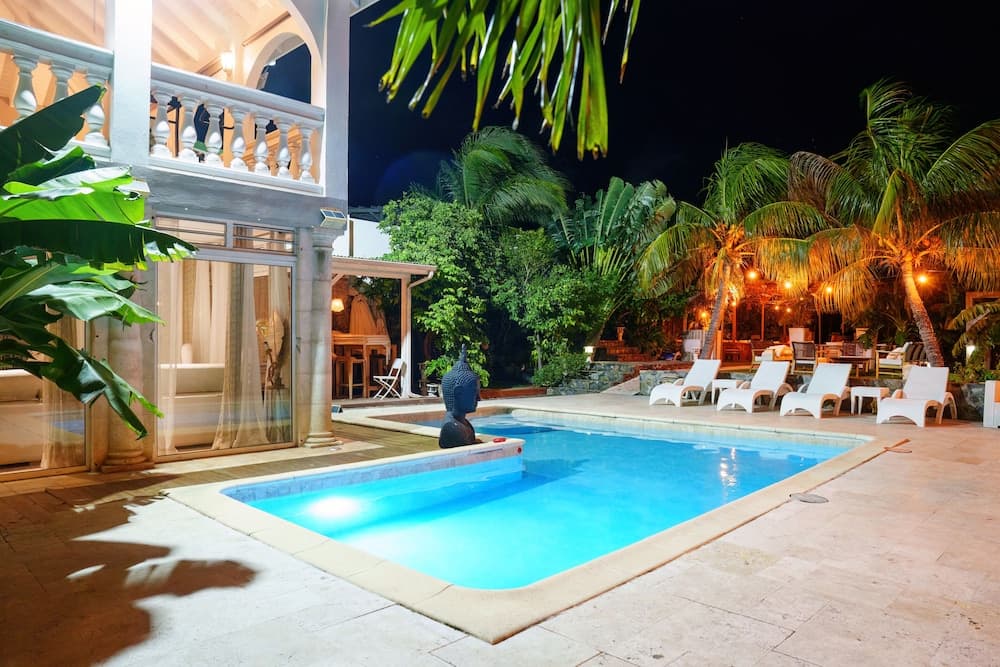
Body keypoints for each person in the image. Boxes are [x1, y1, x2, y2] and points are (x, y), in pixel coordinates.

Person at [439, 345, 480, 448]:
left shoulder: (463, 424)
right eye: (474, 393)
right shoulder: (451, 429)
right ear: (458, 393)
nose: (479, 398)